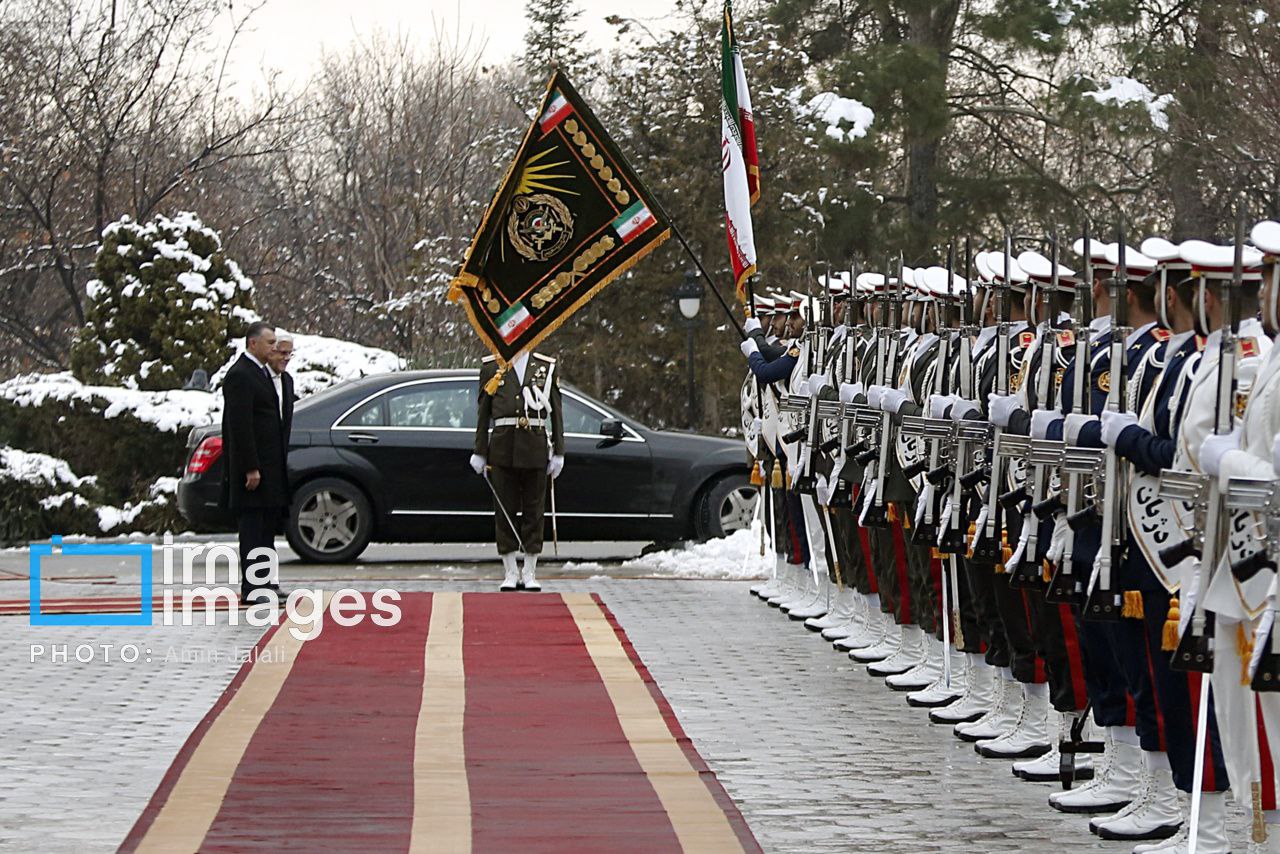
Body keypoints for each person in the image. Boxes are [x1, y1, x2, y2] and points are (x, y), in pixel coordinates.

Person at [471, 349, 565, 591]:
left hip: (534, 446)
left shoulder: (545, 366)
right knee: (505, 510)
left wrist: (559, 452)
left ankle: (530, 570)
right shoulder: (493, 367)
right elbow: (483, 412)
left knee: (534, 510)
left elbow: (556, 412)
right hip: (503, 448)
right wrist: (479, 450)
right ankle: (510, 570)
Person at [220, 322, 288, 606]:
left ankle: (267, 582)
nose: (275, 348)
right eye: (270, 343)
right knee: (252, 528)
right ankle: (252, 586)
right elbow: (240, 427)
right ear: (253, 343)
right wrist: (250, 466)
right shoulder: (240, 376)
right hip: (253, 470)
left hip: (270, 467)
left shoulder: (261, 373)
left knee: (266, 529)